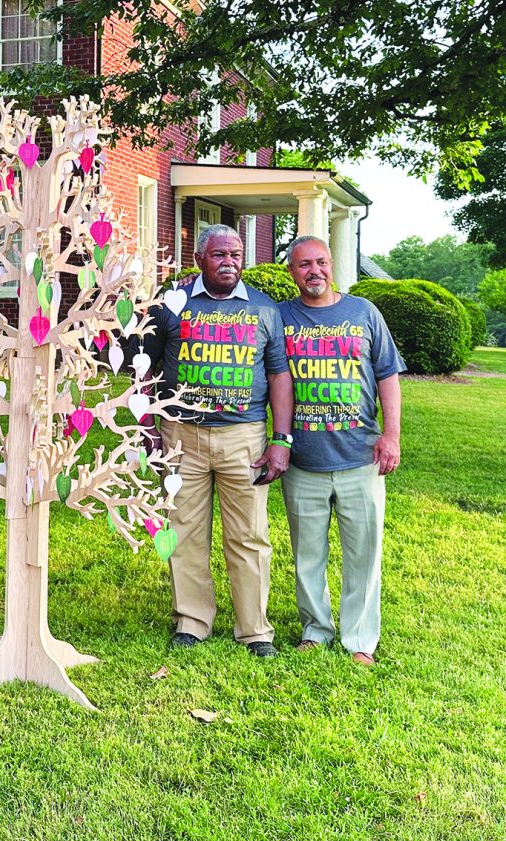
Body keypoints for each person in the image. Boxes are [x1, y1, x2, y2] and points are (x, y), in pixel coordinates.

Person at [141, 224, 293, 656]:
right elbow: (144, 367)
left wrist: (280, 439)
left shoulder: (265, 309)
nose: (230, 263)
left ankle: (255, 630)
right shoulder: (171, 305)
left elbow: (280, 375)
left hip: (243, 436)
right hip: (181, 434)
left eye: (236, 255)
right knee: (183, 529)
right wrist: (148, 425)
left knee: (249, 535)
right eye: (220, 255)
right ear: (199, 259)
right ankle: (192, 620)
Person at [280, 235, 405, 666]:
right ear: (292, 272)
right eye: (303, 265)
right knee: (307, 555)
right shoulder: (280, 318)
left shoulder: (364, 313)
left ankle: (360, 639)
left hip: (361, 458)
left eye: (320, 262)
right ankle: (315, 629)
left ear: (332, 265)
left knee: (363, 554)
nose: (314, 271)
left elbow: (388, 376)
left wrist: (392, 436)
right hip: (303, 460)